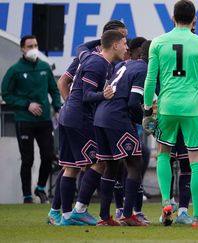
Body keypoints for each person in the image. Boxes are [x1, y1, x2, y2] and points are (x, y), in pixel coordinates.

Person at [143, 0, 198, 227]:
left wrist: (147, 108)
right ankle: (195, 215)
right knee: (196, 161)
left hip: (166, 108)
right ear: (195, 19)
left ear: (172, 18)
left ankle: (166, 203)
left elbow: (150, 81)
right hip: (193, 109)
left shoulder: (157, 42)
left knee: (163, 153)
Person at [47, 20, 128, 225]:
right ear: (115, 43)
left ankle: (65, 216)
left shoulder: (95, 59)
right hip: (79, 119)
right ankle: (79, 209)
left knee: (71, 167)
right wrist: (104, 95)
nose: (127, 46)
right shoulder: (96, 63)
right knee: (99, 162)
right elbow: (85, 95)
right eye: (124, 41)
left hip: (71, 117)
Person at [93, 35, 146, 226]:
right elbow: (133, 102)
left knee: (111, 165)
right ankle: (128, 215)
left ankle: (105, 217)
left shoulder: (123, 65)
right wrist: (143, 120)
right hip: (117, 118)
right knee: (135, 163)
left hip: (101, 116)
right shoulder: (143, 69)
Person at [1, 35, 61, 204]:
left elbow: (54, 90)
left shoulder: (44, 67)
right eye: (29, 46)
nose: (33, 48)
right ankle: (27, 195)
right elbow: (6, 94)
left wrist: (57, 108)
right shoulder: (15, 70)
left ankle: (40, 188)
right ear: (22, 49)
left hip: (44, 120)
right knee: (27, 159)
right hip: (24, 120)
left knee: (48, 155)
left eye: (35, 45)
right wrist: (26, 104)